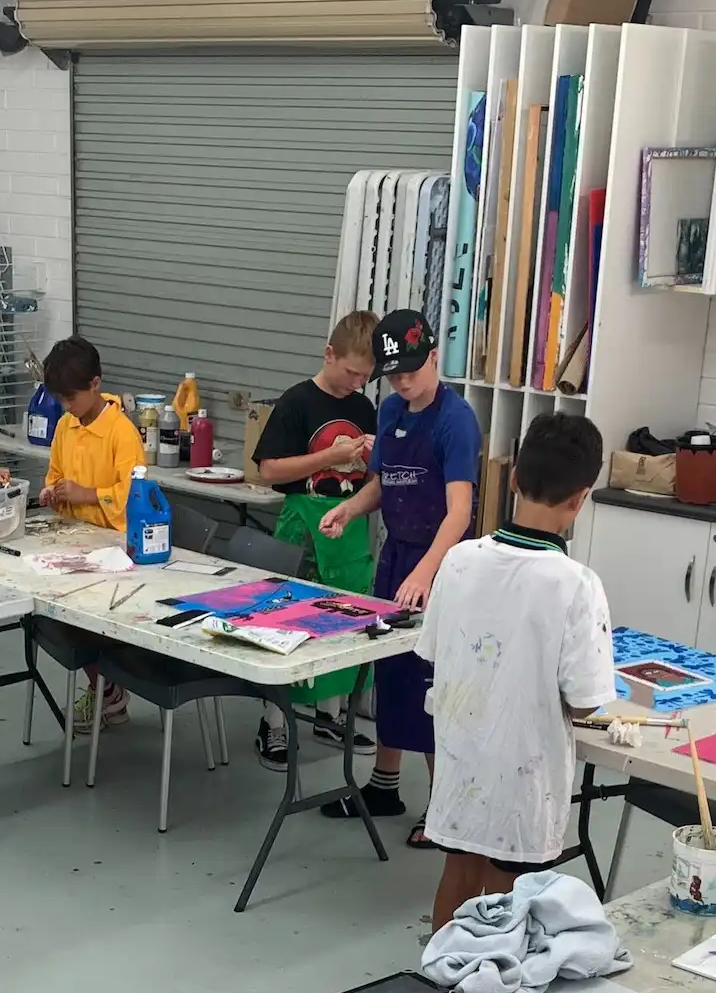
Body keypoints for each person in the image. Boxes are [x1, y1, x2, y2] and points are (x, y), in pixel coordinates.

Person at [416, 413, 615, 930]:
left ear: (512, 479)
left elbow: (435, 650)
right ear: (581, 498)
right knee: (508, 896)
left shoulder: (458, 561)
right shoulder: (576, 583)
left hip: (461, 762)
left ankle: (442, 981)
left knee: (457, 874)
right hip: (526, 781)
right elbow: (587, 700)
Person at [316, 309, 481, 846]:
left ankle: (445, 811)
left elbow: (460, 512)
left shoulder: (456, 421)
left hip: (442, 565)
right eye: (394, 374)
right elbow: (384, 485)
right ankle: (385, 784)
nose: (404, 382)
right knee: (388, 671)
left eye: (412, 370)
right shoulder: (390, 412)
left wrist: (426, 573)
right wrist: (349, 510)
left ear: (434, 356)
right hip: (396, 558)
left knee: (432, 688)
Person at [250, 310, 380, 769]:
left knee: (345, 621)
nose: (356, 385)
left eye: (366, 377)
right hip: (301, 525)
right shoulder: (297, 402)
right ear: (329, 354)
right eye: (350, 373)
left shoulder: (363, 407)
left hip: (348, 528)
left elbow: (373, 477)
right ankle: (274, 721)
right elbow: (268, 470)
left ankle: (331, 714)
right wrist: (329, 455)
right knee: (288, 621)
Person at [36, 336, 145, 732]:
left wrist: (89, 495)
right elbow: (56, 474)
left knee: (84, 622)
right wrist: (53, 491)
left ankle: (109, 690)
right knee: (51, 614)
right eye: (61, 401)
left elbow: (135, 495)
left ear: (95, 384)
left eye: (72, 399)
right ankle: (106, 687)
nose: (67, 409)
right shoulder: (66, 426)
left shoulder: (121, 432)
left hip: (117, 549)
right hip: (75, 540)